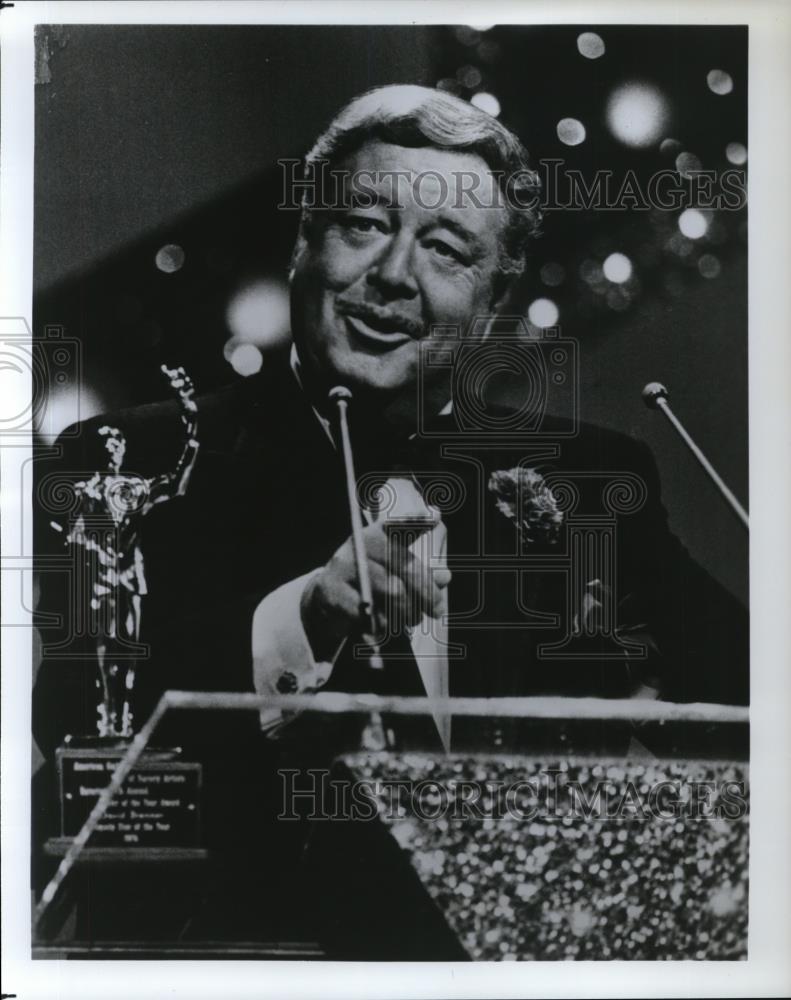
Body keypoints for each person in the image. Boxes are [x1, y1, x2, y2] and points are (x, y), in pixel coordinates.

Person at [33, 85, 748, 897]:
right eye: (364, 226)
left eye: (446, 249)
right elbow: (78, 751)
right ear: (304, 243)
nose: (394, 276)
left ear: (491, 303)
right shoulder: (126, 462)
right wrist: (308, 617)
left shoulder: (581, 476)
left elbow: (750, 695)